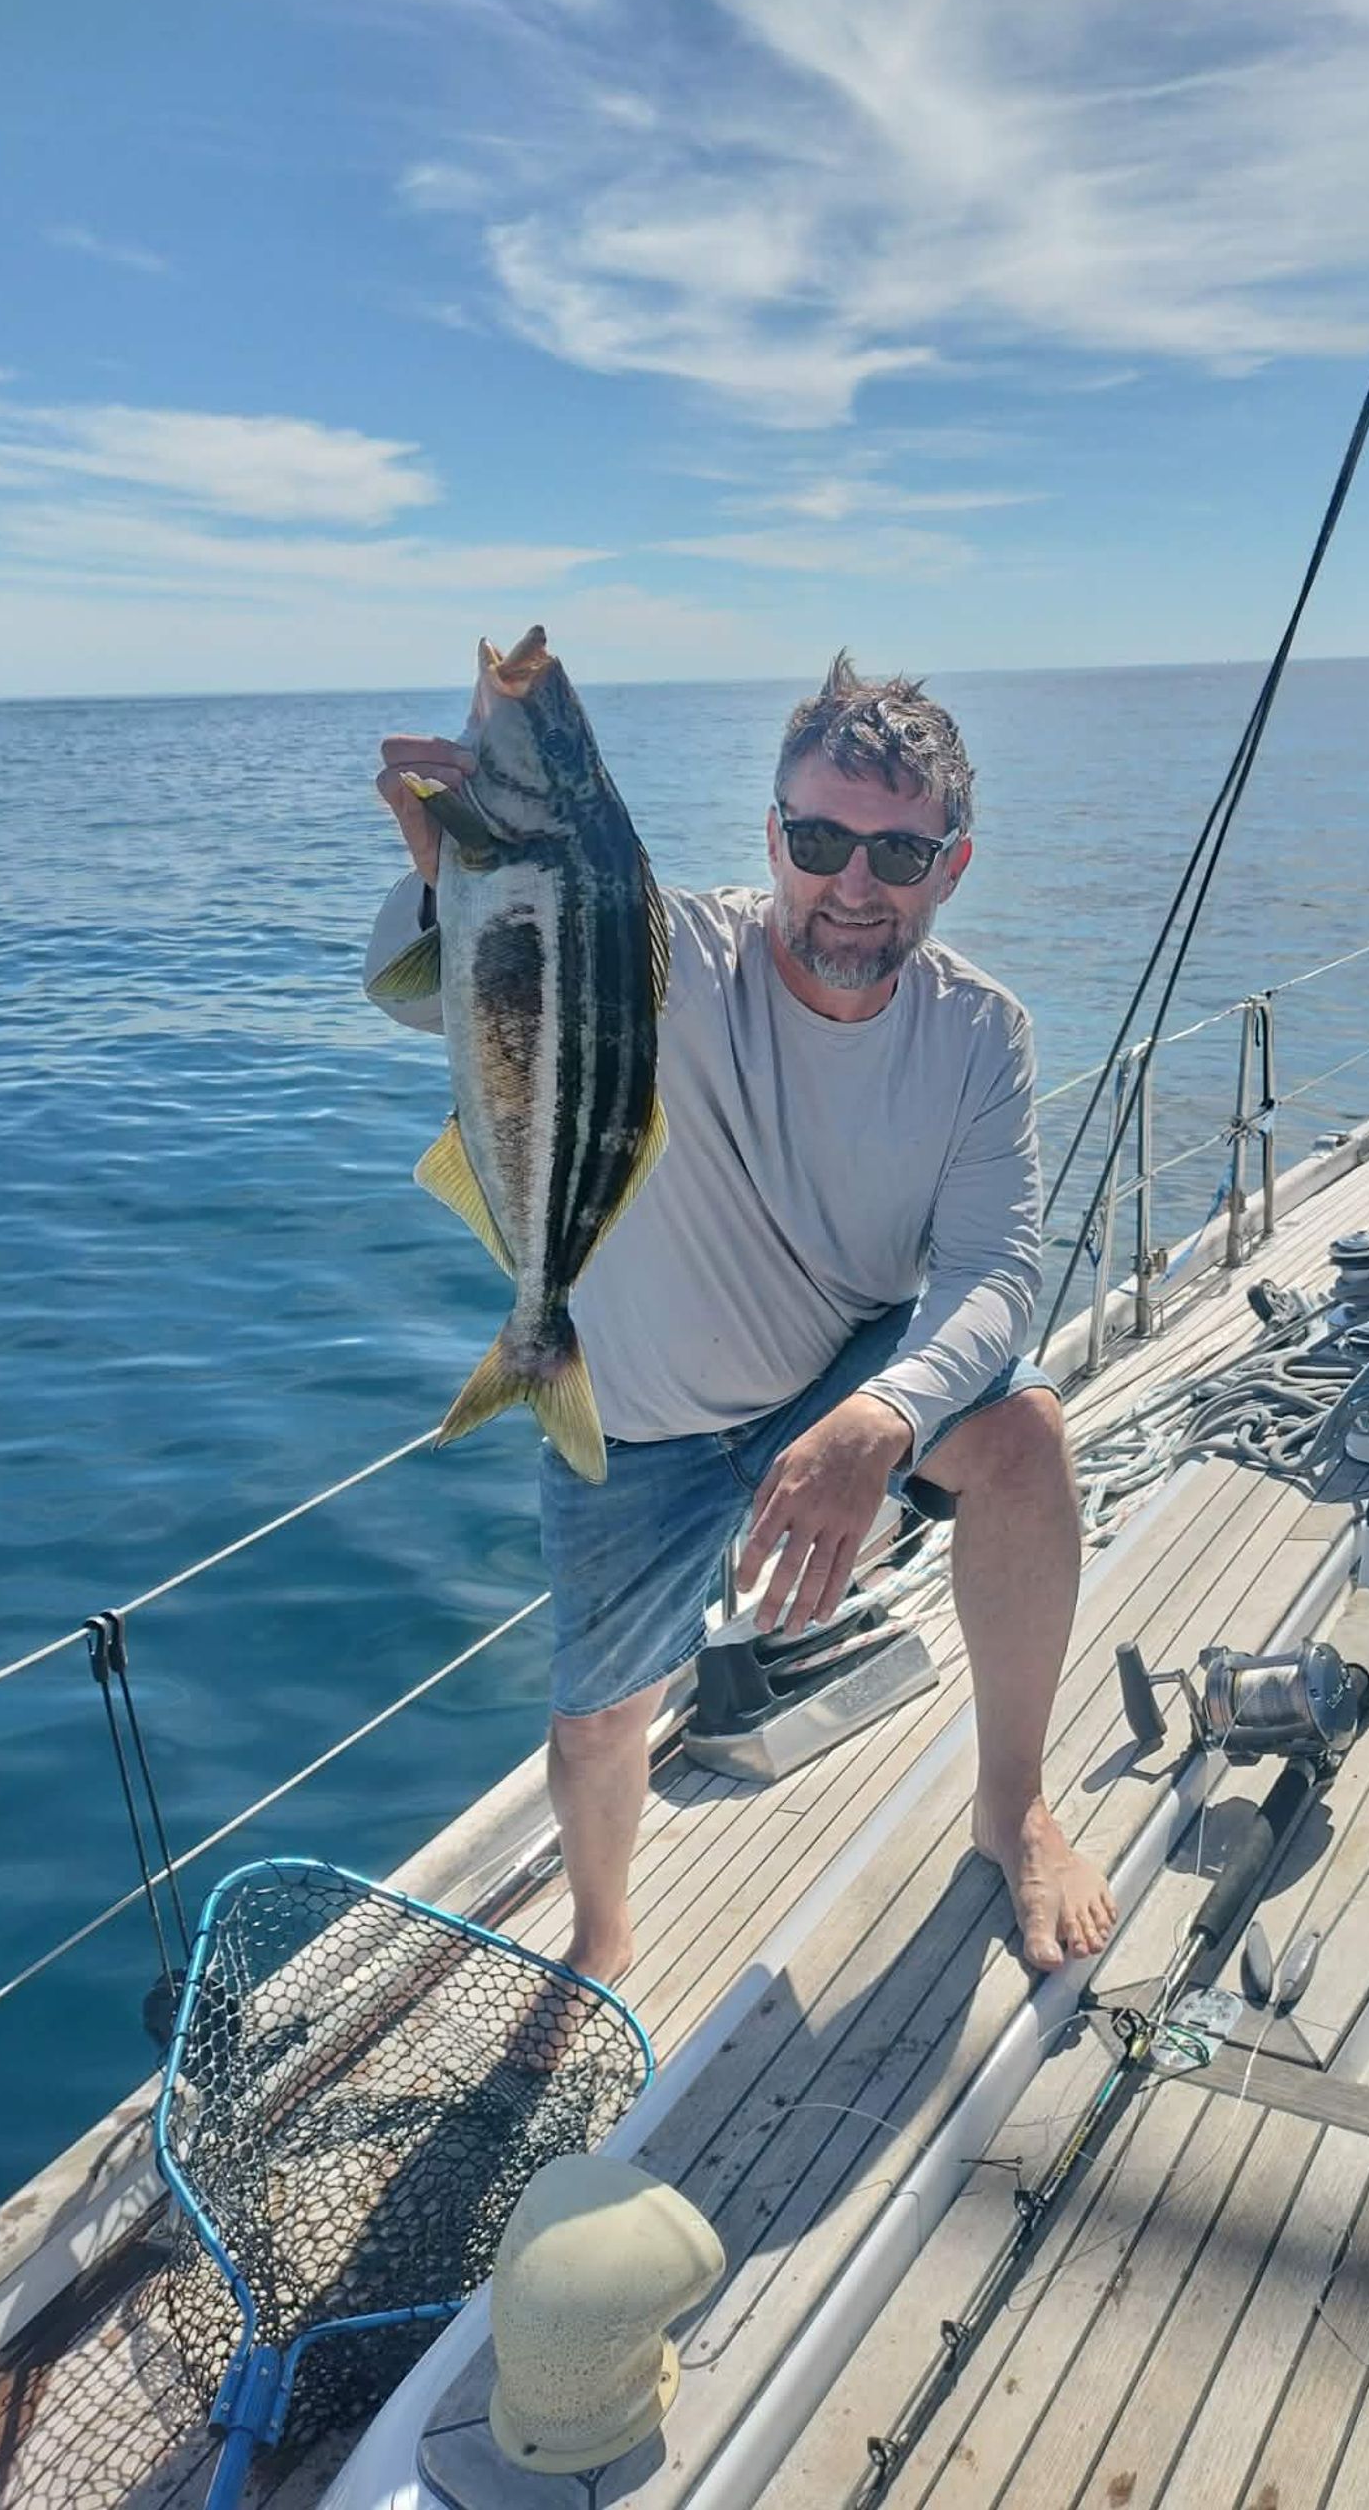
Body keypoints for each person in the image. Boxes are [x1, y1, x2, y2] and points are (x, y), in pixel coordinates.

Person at [366, 651, 1116, 1983]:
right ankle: (600, 1939)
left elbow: (999, 1269)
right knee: (600, 1723)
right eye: (822, 839)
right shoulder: (659, 950)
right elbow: (425, 991)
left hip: (839, 1373)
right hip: (644, 1414)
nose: (855, 883)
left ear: (953, 866)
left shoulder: (979, 1033)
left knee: (1026, 1436)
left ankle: (1015, 1807)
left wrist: (880, 1418)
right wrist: (444, 871)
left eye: (900, 852)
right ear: (774, 836)